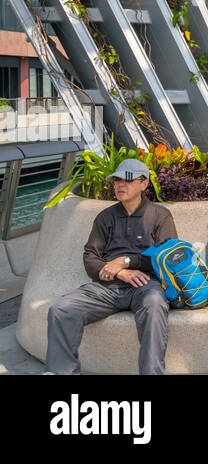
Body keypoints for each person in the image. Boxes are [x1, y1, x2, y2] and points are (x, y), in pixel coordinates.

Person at [45, 158, 176, 375]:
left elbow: (168, 257)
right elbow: (90, 257)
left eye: (127, 179)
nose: (119, 185)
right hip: (107, 288)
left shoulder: (160, 216)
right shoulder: (105, 217)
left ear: (144, 184)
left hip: (146, 285)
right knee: (61, 309)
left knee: (154, 304)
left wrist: (127, 262)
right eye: (116, 180)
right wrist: (120, 273)